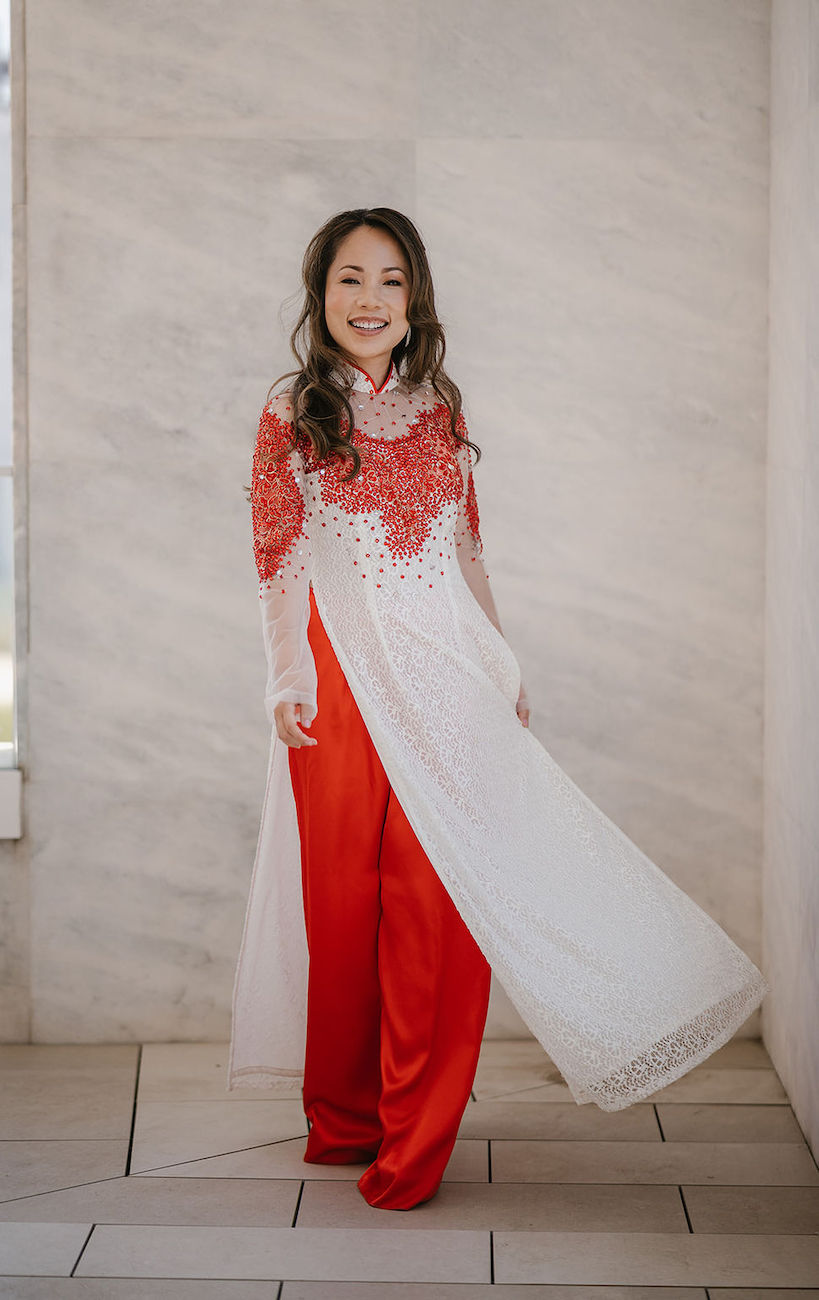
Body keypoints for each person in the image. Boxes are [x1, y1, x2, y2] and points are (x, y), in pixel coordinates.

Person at [227, 206, 770, 1212]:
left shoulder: (438, 406)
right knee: (341, 912)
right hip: (338, 690)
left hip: (446, 685)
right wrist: (286, 676)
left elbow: (465, 547)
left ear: (416, 299)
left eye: (392, 280)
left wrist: (499, 658)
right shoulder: (291, 411)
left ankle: (413, 1147)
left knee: (434, 910)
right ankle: (343, 1120)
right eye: (351, 278)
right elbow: (277, 556)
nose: (371, 299)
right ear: (320, 294)